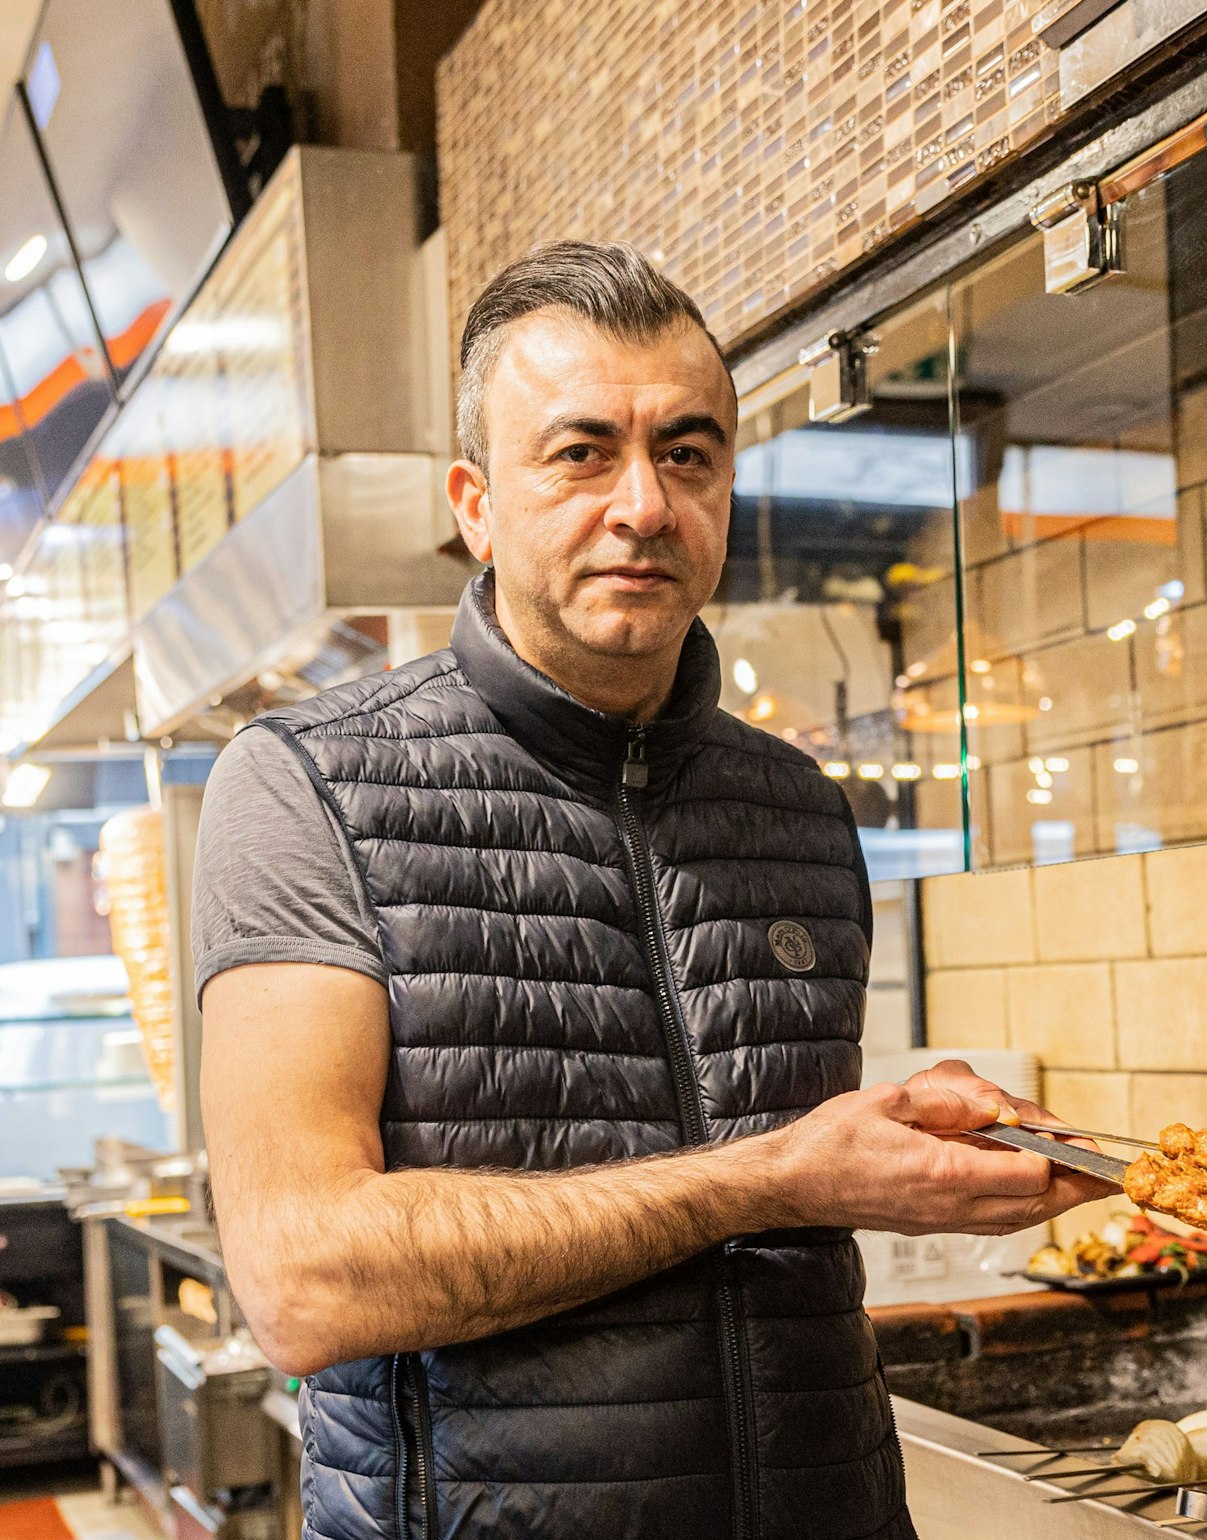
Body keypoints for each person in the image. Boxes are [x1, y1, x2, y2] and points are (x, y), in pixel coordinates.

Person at [195, 241, 1112, 1540]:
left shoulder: (796, 807)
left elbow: (805, 1202)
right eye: (580, 454)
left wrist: (898, 1143)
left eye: (687, 454)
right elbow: (305, 1280)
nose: (643, 503)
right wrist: (775, 1176)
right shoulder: (308, 787)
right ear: (476, 502)